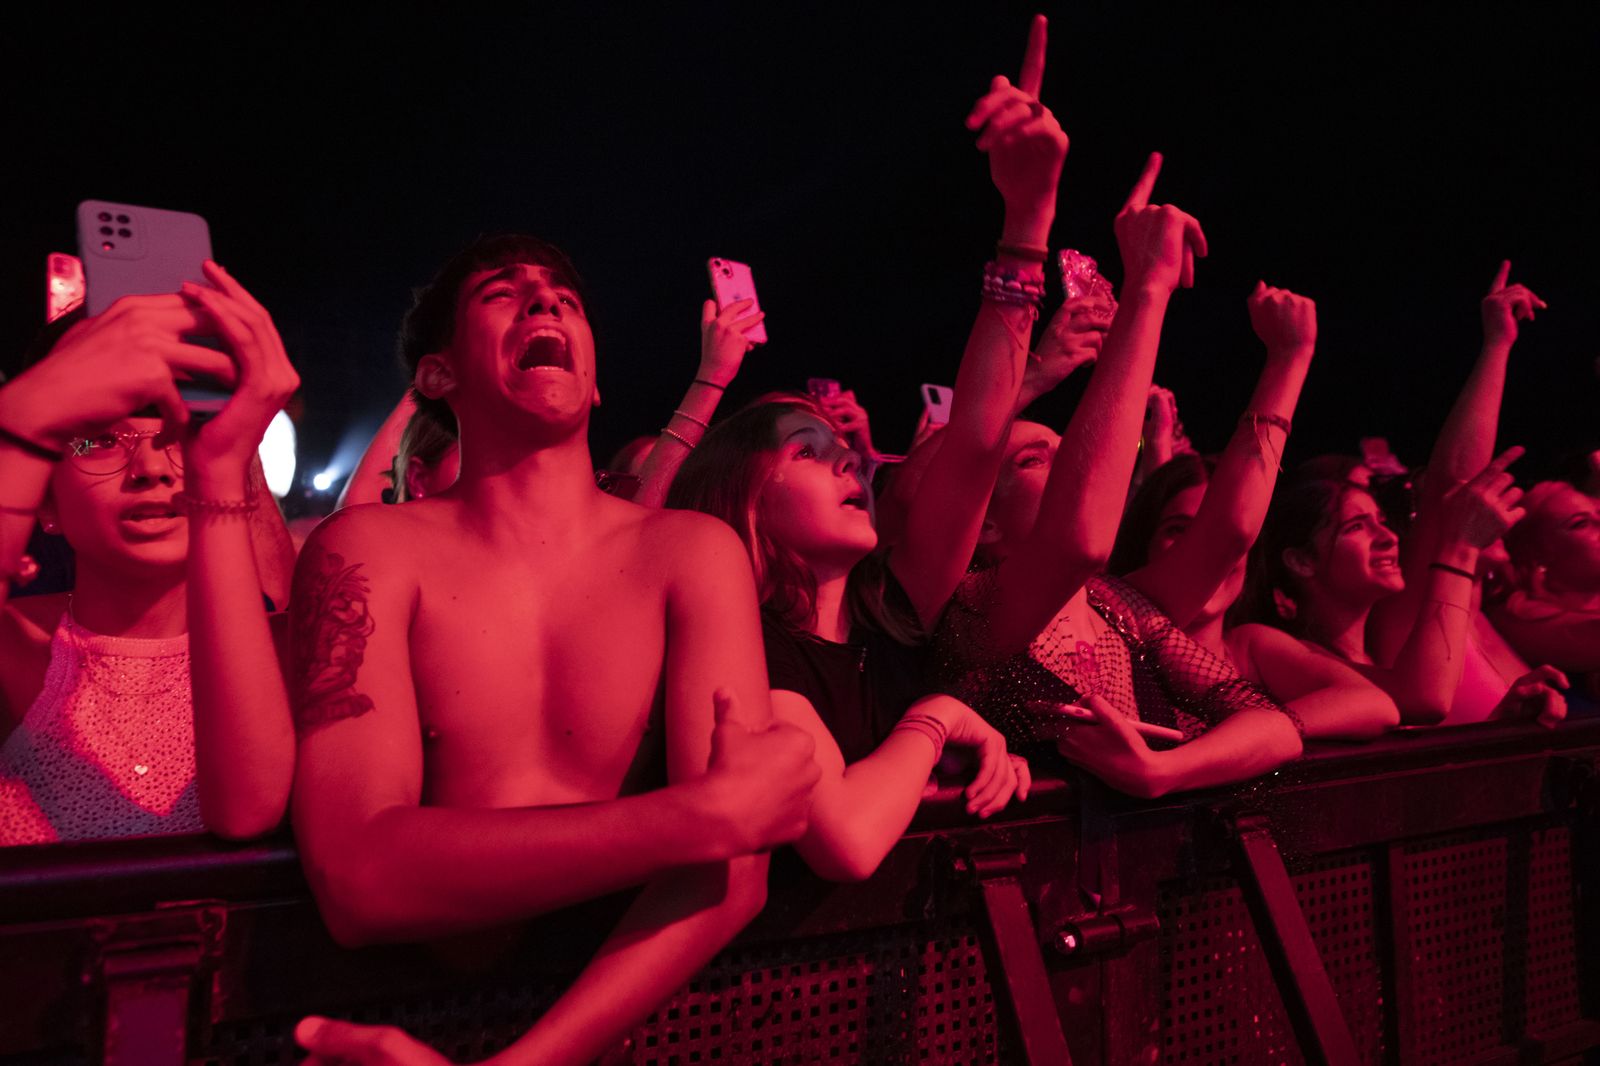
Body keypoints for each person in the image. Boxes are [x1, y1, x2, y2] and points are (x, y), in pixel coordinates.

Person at [287, 233, 820, 1066]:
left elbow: (732, 875)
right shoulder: (365, 552)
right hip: (406, 1017)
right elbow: (359, 876)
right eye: (502, 293)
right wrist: (698, 818)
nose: (545, 301)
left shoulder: (691, 553)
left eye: (565, 299)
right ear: (437, 375)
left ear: (594, 379)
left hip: (654, 1027)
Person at [938, 154, 1305, 799]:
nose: (1071, 459)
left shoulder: (1120, 606)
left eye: (1065, 446)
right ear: (985, 520)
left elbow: (1277, 729)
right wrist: (1147, 290)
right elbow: (1079, 537)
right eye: (1034, 458)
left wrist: (1288, 361)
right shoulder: (970, 608)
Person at [0, 263, 300, 843]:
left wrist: (221, 472)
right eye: (97, 439)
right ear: (46, 501)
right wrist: (28, 413)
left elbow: (246, 811)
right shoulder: (13, 646)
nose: (151, 467)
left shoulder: (293, 651)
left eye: (179, 431)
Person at [1107, 284, 1400, 740]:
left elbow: (1375, 705)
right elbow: (1228, 529)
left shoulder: (1251, 648)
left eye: (1223, 539)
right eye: (1178, 530)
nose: (1209, 553)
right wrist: (1288, 359)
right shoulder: (1114, 636)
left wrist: (1251, 735)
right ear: (1141, 545)